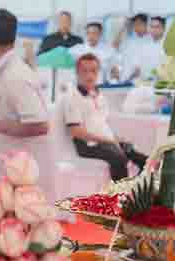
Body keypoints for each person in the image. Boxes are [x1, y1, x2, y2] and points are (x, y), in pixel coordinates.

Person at [0, 9, 54, 200]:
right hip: (15, 166)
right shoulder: (8, 71)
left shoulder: (14, 76)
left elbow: (40, 125)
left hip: (24, 173)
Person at [63, 53, 147, 181]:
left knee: (142, 159)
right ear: (77, 73)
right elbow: (76, 132)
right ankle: (120, 192)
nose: (89, 75)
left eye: (93, 71)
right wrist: (109, 141)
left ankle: (140, 188)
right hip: (87, 145)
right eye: (85, 71)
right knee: (119, 157)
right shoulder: (72, 97)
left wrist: (115, 139)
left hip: (105, 140)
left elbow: (101, 124)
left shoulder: (99, 96)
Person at [113, 13, 161, 81]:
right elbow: (114, 46)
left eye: (139, 24)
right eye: (134, 25)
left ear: (146, 24)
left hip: (147, 79)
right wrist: (124, 26)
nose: (136, 27)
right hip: (129, 79)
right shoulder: (130, 41)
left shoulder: (152, 40)